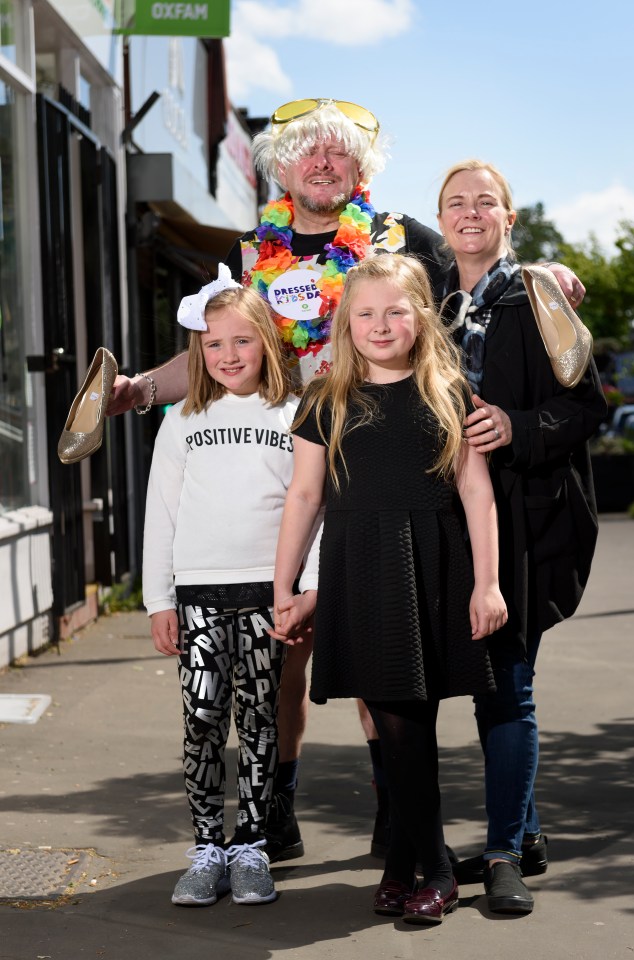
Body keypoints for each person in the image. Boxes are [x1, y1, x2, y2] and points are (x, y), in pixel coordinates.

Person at [108, 98, 585, 863]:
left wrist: (542, 272)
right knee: (284, 655)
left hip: (385, 467)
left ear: (361, 169)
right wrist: (140, 389)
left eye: (338, 154)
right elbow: (212, 351)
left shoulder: (398, 237)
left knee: (381, 654)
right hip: (288, 468)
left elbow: (477, 264)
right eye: (308, 153)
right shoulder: (248, 250)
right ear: (282, 168)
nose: (323, 164)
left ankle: (394, 816)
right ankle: (280, 810)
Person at [270, 252, 507, 924]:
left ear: (421, 318)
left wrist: (486, 585)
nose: (380, 325)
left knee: (413, 723)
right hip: (360, 568)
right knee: (395, 721)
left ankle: (418, 865)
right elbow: (305, 495)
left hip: (433, 564)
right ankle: (422, 863)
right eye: (366, 314)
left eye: (395, 312)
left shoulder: (448, 391)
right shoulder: (326, 399)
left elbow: (476, 492)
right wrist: (283, 583)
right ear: (347, 324)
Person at [433, 159, 607, 914]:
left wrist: (517, 425)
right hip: (452, 519)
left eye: (485, 202)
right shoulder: (432, 308)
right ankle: (525, 833)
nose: (470, 213)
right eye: (455, 203)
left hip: (528, 520)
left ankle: (504, 850)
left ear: (509, 217)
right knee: (487, 685)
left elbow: (587, 408)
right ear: (439, 221)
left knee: (506, 687)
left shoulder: (538, 298)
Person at [142, 265, 320, 907]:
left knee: (259, 718)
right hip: (197, 596)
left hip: (267, 594)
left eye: (242, 341)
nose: (227, 355)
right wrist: (159, 598)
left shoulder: (295, 411)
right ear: (198, 350)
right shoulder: (182, 418)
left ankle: (251, 846)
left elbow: (317, 505)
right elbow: (160, 511)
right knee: (201, 719)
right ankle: (207, 847)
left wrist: (309, 587)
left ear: (268, 342)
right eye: (214, 344)